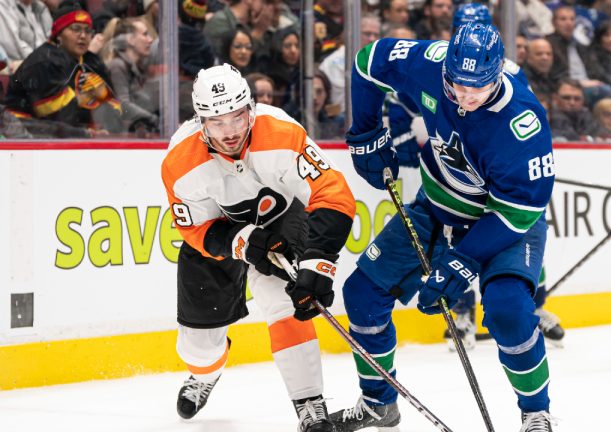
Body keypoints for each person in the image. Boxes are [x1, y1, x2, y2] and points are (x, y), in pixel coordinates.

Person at [330, 23, 556, 431]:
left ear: (498, 75)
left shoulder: (524, 123)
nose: (466, 96)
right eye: (457, 83)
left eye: (478, 87)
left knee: (508, 310)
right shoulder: (430, 64)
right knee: (361, 293)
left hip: (502, 224)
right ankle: (379, 402)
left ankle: (536, 411)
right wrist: (365, 132)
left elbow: (518, 213)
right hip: (437, 208)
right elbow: (368, 62)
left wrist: (463, 261)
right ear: (446, 66)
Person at [160, 64, 355, 431]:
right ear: (200, 120)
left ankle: (309, 402)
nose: (231, 131)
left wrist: (319, 263)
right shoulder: (180, 162)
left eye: (237, 116)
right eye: (217, 122)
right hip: (220, 232)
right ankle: (206, 373)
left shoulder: (282, 132)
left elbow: (334, 194)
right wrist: (244, 242)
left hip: (281, 218)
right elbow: (194, 227)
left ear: (251, 107)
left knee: (287, 302)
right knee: (198, 348)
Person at [4, 1, 123, 138]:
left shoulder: (92, 61)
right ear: (58, 35)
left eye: (87, 30)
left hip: (81, 136)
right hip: (26, 139)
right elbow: (58, 116)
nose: (83, 36)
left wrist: (103, 98)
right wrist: (90, 98)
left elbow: (116, 113)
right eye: (75, 29)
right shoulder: (43, 61)